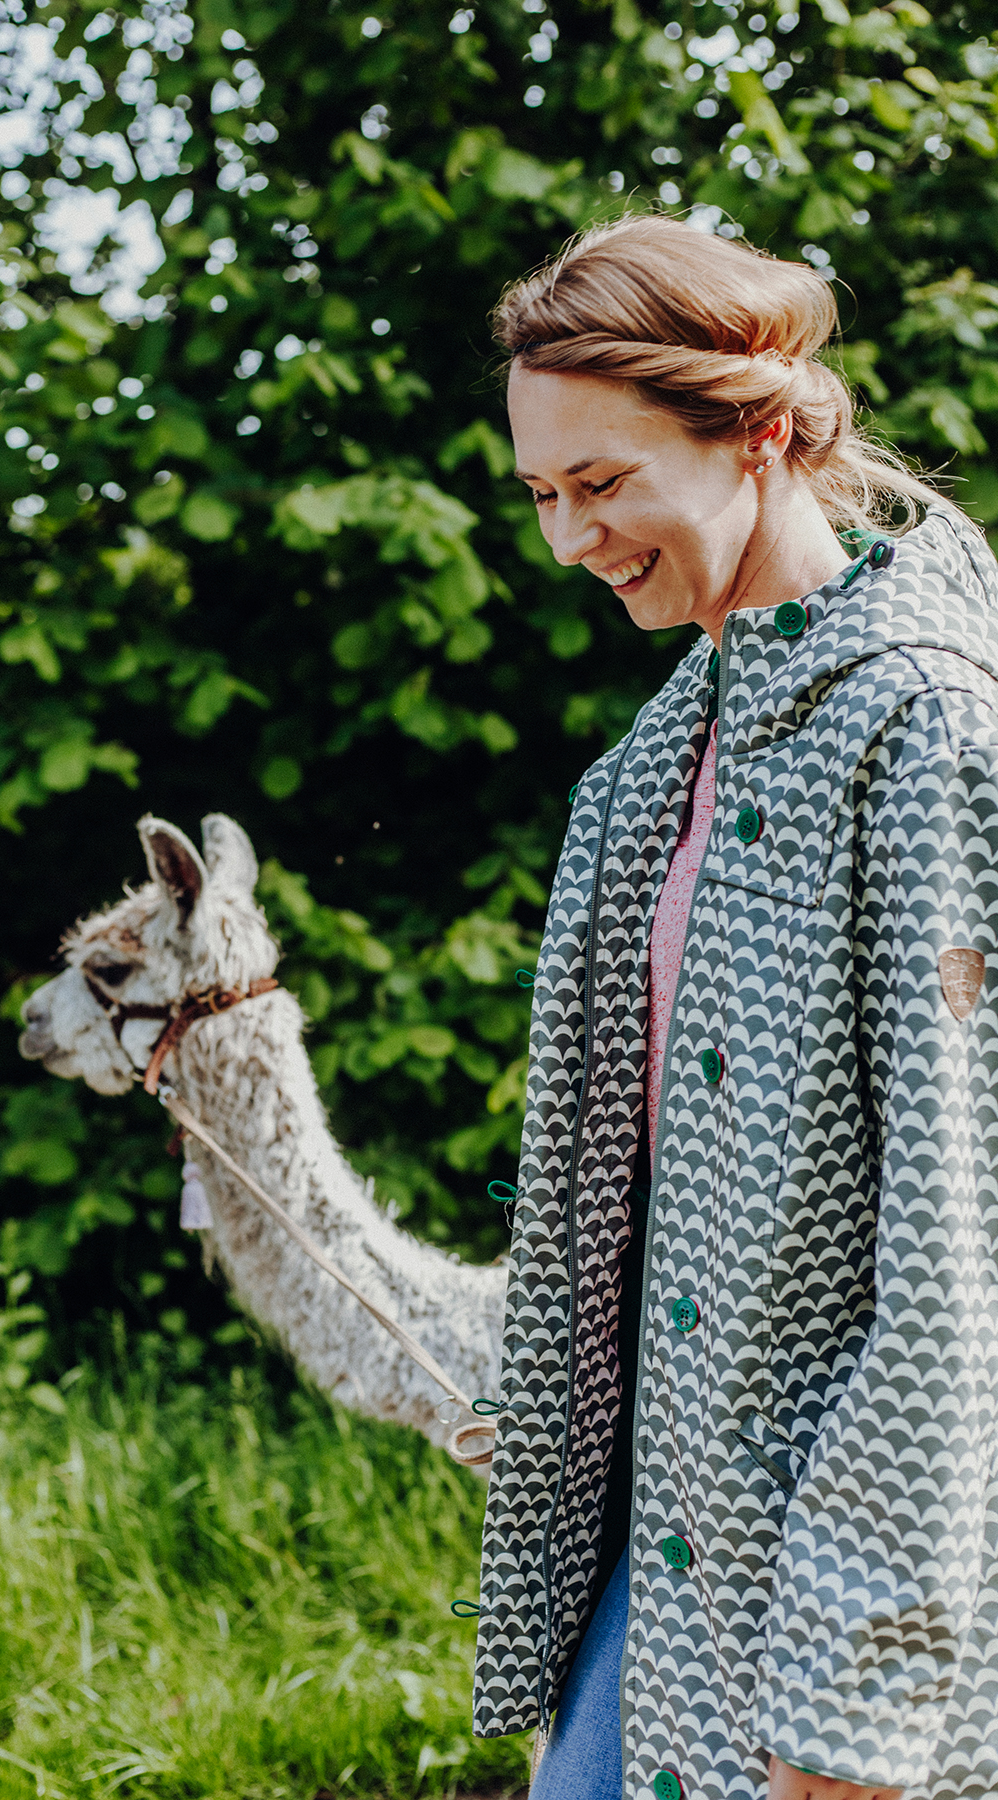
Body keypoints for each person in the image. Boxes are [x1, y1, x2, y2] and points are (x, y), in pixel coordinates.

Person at [469, 213, 998, 1800]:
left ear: (762, 434)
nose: (570, 539)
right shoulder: (646, 776)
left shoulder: (927, 741)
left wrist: (847, 1727)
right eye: (544, 494)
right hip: (655, 1566)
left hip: (848, 1609)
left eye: (607, 483)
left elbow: (957, 1287)